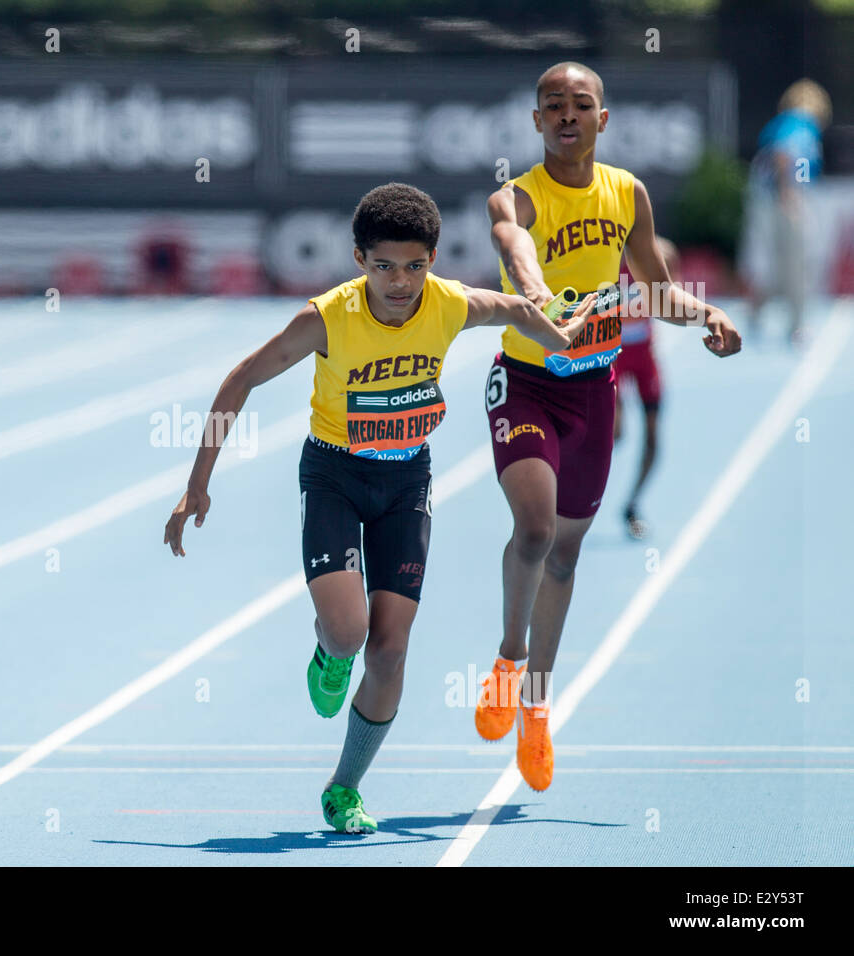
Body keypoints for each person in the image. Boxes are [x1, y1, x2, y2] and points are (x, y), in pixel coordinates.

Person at [163, 183, 591, 832]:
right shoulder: (327, 318)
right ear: (360, 259)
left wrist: (558, 338)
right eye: (385, 266)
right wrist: (199, 482)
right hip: (335, 476)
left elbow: (513, 310)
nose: (400, 282)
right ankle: (329, 655)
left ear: (433, 260)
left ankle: (345, 788)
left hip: (405, 486)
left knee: (390, 650)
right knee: (349, 632)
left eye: (415, 266)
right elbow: (242, 377)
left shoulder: (448, 304)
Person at [476, 62, 741, 792]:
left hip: (594, 391)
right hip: (525, 384)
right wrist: (535, 293)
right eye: (553, 105)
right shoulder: (516, 196)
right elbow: (513, 242)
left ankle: (536, 705)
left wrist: (706, 314)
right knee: (532, 529)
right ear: (535, 121)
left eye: (580, 104)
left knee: (563, 555)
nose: (567, 115)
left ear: (603, 119)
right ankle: (506, 658)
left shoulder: (628, 193)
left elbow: (653, 289)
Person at [740, 79, 831, 346]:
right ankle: (796, 324)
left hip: (769, 198)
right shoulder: (801, 122)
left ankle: (758, 310)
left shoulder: (784, 122)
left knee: (779, 263)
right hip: (781, 199)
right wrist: (788, 193)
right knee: (797, 261)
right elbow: (785, 153)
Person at [612, 235, 680, 540]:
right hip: (612, 353)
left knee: (652, 437)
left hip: (644, 357)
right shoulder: (607, 256)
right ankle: (574, 493)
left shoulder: (660, 252)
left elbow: (672, 293)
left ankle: (632, 504)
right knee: (615, 434)